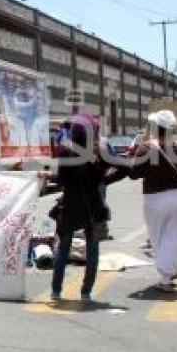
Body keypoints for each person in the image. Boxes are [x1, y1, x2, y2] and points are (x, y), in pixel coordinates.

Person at [51, 113, 127, 302]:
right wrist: (104, 180)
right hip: (94, 204)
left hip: (70, 204)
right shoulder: (101, 148)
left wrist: (48, 177)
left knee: (63, 248)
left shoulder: (65, 149)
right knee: (92, 249)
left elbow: (60, 180)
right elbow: (126, 168)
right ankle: (86, 292)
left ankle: (56, 291)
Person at [128, 110, 177, 293]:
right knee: (175, 237)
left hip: (154, 198)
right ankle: (170, 272)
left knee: (157, 238)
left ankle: (166, 277)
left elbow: (133, 174)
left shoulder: (146, 148)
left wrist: (133, 154)